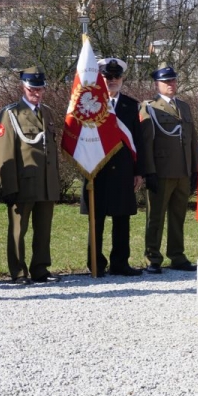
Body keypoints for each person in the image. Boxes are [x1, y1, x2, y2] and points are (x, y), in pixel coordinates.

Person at [0, 67, 61, 284]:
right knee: (18, 230)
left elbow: (50, 150)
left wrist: (54, 182)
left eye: (40, 89)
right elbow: (4, 152)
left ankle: (40, 269)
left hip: (45, 183)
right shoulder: (11, 114)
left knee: (43, 230)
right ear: (23, 87)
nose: (37, 93)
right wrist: (9, 187)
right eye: (33, 89)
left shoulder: (47, 112)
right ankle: (19, 272)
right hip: (23, 183)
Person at [80, 58, 145, 277]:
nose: (113, 80)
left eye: (117, 76)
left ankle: (120, 263)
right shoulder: (89, 103)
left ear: (122, 79)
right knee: (96, 219)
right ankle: (95, 263)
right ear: (101, 78)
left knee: (122, 219)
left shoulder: (131, 105)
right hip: (97, 170)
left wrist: (139, 171)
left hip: (123, 170)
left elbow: (138, 140)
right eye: (108, 76)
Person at [139, 63, 198, 274]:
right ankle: (153, 257)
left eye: (172, 80)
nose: (170, 84)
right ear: (157, 84)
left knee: (178, 216)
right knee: (155, 217)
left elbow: (192, 140)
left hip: (183, 171)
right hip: (162, 171)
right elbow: (147, 142)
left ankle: (177, 255)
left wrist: (195, 169)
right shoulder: (149, 107)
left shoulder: (184, 107)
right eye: (166, 81)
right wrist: (149, 171)